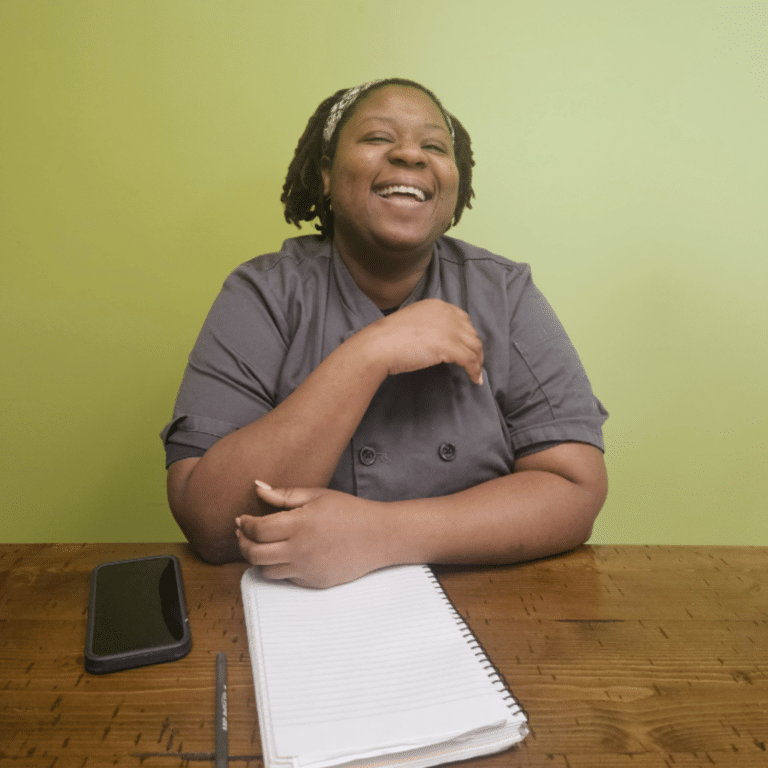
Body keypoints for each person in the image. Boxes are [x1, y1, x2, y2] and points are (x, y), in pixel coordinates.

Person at [161, 77, 609, 588]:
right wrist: (372, 351)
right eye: (377, 137)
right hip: (298, 611)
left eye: (434, 146)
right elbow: (209, 522)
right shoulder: (262, 293)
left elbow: (575, 489)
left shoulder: (506, 294)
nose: (410, 155)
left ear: (455, 185)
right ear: (326, 174)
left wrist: (379, 533)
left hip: (486, 605)